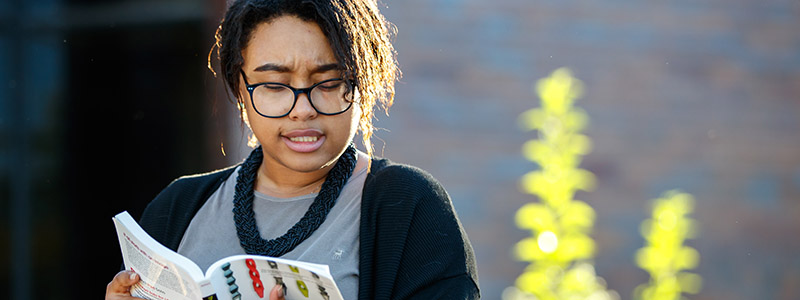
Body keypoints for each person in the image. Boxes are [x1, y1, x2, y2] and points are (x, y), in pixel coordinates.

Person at [105, 0, 479, 299]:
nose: (304, 108)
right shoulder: (177, 208)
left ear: (362, 84)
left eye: (329, 82)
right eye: (275, 85)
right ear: (240, 89)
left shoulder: (409, 206)